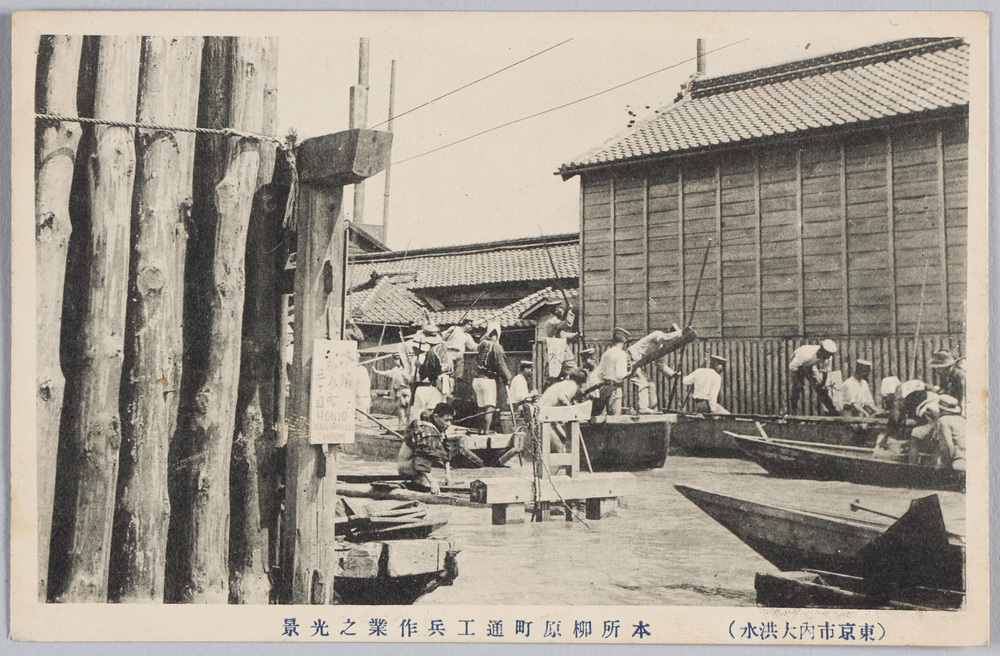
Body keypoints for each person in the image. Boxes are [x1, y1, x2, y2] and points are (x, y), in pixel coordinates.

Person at [397, 402, 456, 495]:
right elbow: (421, 460)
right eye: (446, 420)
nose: (448, 424)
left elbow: (446, 451)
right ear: (436, 417)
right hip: (408, 467)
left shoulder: (438, 427)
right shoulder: (428, 432)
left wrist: (447, 474)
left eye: (450, 420)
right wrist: (432, 481)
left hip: (415, 465)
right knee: (430, 486)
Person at [472, 321, 512, 434]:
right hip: (488, 380)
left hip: (477, 379)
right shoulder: (496, 346)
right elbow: (501, 364)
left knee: (481, 407)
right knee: (489, 407)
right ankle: (486, 431)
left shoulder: (482, 344)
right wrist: (507, 379)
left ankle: (480, 430)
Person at [537, 367, 589, 454]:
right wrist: (573, 411)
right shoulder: (573, 386)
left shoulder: (563, 384)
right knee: (559, 450)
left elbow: (555, 422)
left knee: (558, 449)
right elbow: (562, 397)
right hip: (541, 420)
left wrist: (564, 435)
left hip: (540, 419)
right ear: (582, 383)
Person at [787, 339, 839, 415]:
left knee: (821, 389)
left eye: (829, 355)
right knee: (797, 388)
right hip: (798, 365)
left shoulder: (828, 357)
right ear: (821, 351)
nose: (827, 358)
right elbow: (792, 367)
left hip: (810, 365)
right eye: (825, 355)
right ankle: (792, 412)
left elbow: (825, 371)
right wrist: (798, 382)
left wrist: (822, 384)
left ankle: (832, 410)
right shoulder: (806, 354)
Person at [372, 350, 413, 430]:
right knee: (406, 416)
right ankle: (404, 430)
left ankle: (402, 429)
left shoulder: (399, 370)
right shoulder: (403, 370)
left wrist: (376, 371)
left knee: (402, 416)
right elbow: (387, 373)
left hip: (402, 393)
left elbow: (387, 373)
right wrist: (376, 371)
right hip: (405, 392)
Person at [596, 327, 630, 415]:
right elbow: (620, 375)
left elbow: (599, 373)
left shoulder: (606, 353)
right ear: (624, 341)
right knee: (614, 419)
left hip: (604, 388)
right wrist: (630, 372)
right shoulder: (622, 354)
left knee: (603, 417)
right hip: (615, 389)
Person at [929, 395, 965, 471]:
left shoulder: (943, 420)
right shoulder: (961, 419)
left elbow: (947, 444)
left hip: (958, 459)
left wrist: (946, 463)